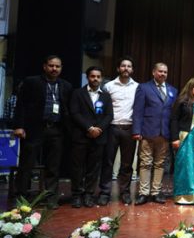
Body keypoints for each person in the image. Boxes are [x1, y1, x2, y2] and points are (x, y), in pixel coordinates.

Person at [13, 55, 73, 208]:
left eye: (57, 66)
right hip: (34, 129)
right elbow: (21, 105)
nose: (54, 69)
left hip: (57, 129)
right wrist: (19, 126)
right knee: (27, 164)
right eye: (51, 66)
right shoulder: (31, 82)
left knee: (53, 166)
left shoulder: (66, 85)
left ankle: (50, 198)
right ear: (45, 66)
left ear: (61, 68)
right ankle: (22, 197)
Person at [132, 62, 178, 205]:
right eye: (160, 71)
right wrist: (136, 131)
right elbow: (138, 111)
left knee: (160, 164)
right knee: (145, 163)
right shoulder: (144, 88)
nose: (163, 74)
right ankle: (144, 193)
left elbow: (173, 115)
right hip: (147, 131)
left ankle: (156, 192)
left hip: (164, 133)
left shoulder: (173, 90)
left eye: (165, 72)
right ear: (153, 72)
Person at [69, 66, 113, 208]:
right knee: (77, 167)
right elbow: (75, 113)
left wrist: (98, 129)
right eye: (92, 76)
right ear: (88, 77)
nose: (95, 79)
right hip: (81, 136)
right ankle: (76, 195)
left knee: (93, 168)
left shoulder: (106, 96)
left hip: (99, 137)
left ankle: (89, 194)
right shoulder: (77, 93)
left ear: (101, 78)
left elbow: (109, 115)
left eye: (98, 76)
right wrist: (89, 128)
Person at [103, 56, 139, 205]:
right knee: (107, 162)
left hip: (129, 128)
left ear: (132, 69)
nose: (126, 68)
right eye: (123, 66)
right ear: (118, 68)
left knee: (127, 163)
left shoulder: (137, 87)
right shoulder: (109, 86)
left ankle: (124, 192)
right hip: (111, 127)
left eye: (129, 66)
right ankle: (105, 192)